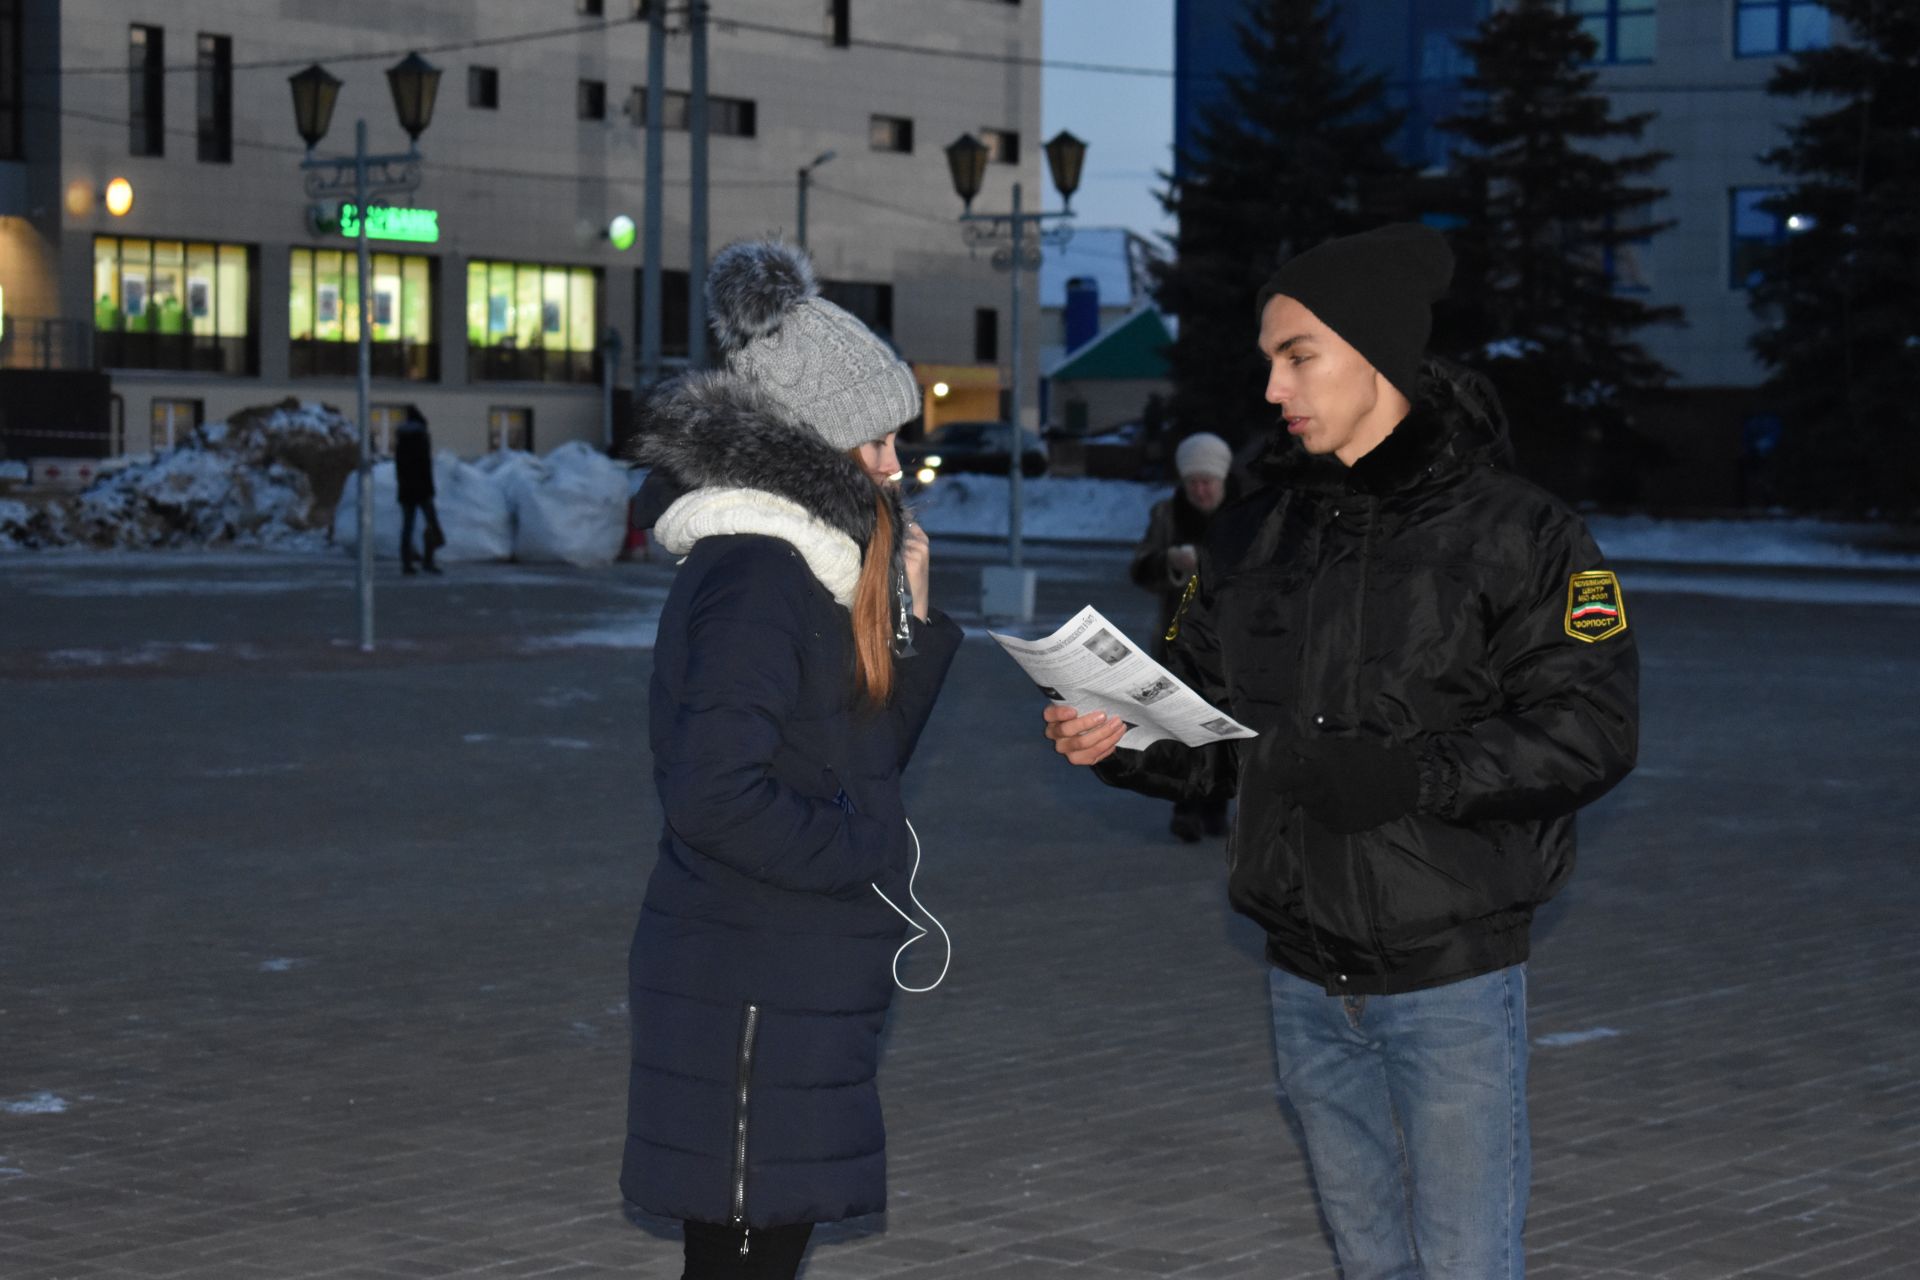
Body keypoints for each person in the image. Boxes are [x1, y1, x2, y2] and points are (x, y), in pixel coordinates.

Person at [1042, 223, 1639, 1278]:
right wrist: (1122, 736)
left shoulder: (1524, 532)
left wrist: (1415, 773)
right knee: (1369, 1264)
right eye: (1269, 359)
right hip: (1302, 975)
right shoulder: (1263, 535)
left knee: (1466, 1264)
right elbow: (1217, 731)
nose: (1273, 388)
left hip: (1450, 977)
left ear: (1377, 356)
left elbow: (1591, 727)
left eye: (1297, 354)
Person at [621, 239, 963, 1280]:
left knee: (762, 1255)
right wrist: (863, 848)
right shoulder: (758, 576)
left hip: (791, 974)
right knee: (738, 1263)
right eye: (876, 444)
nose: (897, 467)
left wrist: (910, 616)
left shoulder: (810, 573)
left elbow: (862, 750)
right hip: (750, 986)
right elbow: (714, 796)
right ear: (809, 448)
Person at [1129, 431, 1236, 842]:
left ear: (1223, 480)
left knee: (1225, 731)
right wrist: (1169, 562)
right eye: (1193, 482)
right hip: (1181, 645)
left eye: (1208, 481)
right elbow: (1139, 569)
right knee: (1184, 732)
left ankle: (1216, 809)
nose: (1201, 490)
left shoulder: (1247, 515)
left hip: (1233, 646)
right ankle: (1186, 809)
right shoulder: (1167, 515)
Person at [393, 407, 442, 575]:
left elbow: (399, 468)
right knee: (432, 524)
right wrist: (430, 489)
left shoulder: (401, 439)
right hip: (422, 489)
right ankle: (428, 560)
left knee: (407, 527)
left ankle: (406, 564)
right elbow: (425, 467)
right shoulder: (421, 438)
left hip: (406, 490)